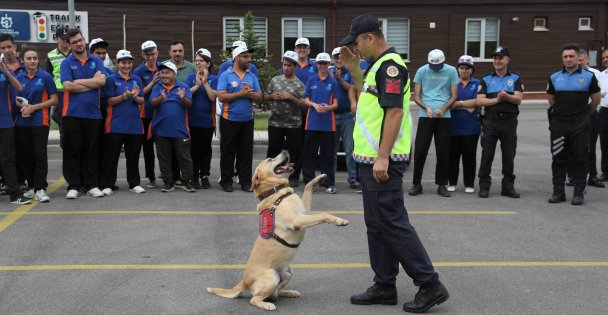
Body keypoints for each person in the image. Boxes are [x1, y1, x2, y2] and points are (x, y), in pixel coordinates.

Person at [339, 14, 448, 313]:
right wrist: (354, 71)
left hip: (382, 160)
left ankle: (430, 284)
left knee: (392, 223)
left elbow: (395, 113)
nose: (355, 49)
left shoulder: (390, 67)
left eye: (356, 43)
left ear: (370, 38)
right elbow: (370, 101)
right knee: (377, 225)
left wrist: (383, 156)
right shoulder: (376, 67)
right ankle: (385, 284)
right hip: (370, 160)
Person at [547, 43, 601, 205]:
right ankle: (558, 193)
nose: (568, 59)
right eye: (565, 56)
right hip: (559, 123)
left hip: (580, 123)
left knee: (580, 157)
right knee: (558, 158)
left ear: (578, 58)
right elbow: (551, 99)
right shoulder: (555, 77)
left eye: (571, 56)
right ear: (562, 58)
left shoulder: (589, 77)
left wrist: (583, 115)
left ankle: (578, 193)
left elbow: (595, 100)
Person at [60, 29, 107, 199]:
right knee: (73, 150)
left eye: (80, 40)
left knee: (91, 150)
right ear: (69, 45)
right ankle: (74, 185)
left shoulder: (96, 60)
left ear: (84, 40)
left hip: (93, 114)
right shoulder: (66, 63)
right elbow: (67, 86)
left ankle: (91, 185)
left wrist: (79, 81)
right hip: (72, 113)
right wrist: (91, 83)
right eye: (74, 42)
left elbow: (101, 81)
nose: (79, 44)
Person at [409, 49, 458, 197]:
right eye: (433, 66)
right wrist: (426, 108)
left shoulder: (451, 71)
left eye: (438, 67)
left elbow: (454, 95)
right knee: (420, 150)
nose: (435, 69)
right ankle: (416, 184)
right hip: (426, 115)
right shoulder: (422, 71)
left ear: (443, 62)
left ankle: (442, 184)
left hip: (444, 116)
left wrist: (443, 109)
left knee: (443, 151)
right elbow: (416, 96)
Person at [477, 46, 523, 199]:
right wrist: (497, 99)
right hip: (490, 122)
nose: (497, 61)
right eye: (495, 58)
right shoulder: (486, 79)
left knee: (508, 156)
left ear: (507, 60)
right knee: (487, 155)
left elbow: (518, 99)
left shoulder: (515, 78)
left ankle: (508, 187)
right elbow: (480, 100)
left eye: (500, 58)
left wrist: (507, 97)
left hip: (509, 122)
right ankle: (484, 186)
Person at [14, 46, 58, 203]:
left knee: (40, 155)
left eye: (34, 58)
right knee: (26, 155)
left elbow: (54, 99)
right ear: (23, 60)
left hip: (41, 120)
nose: (32, 61)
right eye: (29, 58)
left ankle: (40, 188)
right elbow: (16, 99)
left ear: (38, 60)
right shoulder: (18, 76)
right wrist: (23, 107)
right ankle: (32, 186)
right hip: (22, 121)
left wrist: (34, 107)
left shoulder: (45, 76)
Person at [100, 50, 146, 195]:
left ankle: (134, 184)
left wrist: (135, 97)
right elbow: (109, 101)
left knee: (133, 156)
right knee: (111, 156)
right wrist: (124, 96)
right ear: (117, 63)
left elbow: (142, 100)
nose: (126, 65)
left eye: (129, 62)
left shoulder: (136, 79)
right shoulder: (111, 79)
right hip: (115, 124)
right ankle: (108, 184)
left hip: (134, 125)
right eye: (123, 62)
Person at [216, 45, 262, 192]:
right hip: (229, 119)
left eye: (248, 56)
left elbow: (260, 97)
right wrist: (240, 94)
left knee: (246, 153)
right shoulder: (226, 75)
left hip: (247, 120)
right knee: (227, 152)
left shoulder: (251, 76)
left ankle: (245, 182)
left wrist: (251, 94)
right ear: (236, 58)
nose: (248, 59)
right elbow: (221, 96)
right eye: (245, 56)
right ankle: (226, 181)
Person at [149, 61, 196, 193]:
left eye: (167, 72)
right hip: (161, 130)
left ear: (174, 74)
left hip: (180, 130)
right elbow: (152, 102)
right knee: (164, 158)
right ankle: (168, 183)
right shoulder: (157, 87)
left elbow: (189, 104)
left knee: (184, 157)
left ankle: (187, 182)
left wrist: (182, 98)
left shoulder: (183, 87)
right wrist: (160, 98)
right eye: (162, 72)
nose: (164, 75)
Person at [263, 50, 306, 187]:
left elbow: (303, 104)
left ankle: (293, 176)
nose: (286, 68)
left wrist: (291, 97)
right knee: (273, 151)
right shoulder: (275, 80)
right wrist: (272, 96)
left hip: (293, 124)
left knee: (295, 152)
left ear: (295, 66)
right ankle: (271, 174)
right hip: (275, 122)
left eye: (289, 65)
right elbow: (265, 96)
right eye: (284, 65)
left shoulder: (299, 84)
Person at [302, 52, 339, 194]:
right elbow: (305, 99)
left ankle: (328, 183)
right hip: (311, 123)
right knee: (309, 154)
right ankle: (309, 183)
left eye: (325, 63)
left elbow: (335, 104)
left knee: (327, 155)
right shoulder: (311, 80)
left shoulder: (333, 82)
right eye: (320, 63)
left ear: (329, 65)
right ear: (316, 65)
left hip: (328, 125)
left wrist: (327, 107)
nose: (323, 66)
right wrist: (314, 105)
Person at [0, 36, 30, 205]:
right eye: (2, 48)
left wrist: (5, 72)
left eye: (8, 47)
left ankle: (15, 194)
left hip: (4, 121)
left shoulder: (5, 70)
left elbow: (19, 88)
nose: (5, 50)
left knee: (8, 158)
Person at [186, 48, 218, 189]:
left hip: (207, 121)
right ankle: (194, 176)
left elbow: (212, 97)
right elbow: (186, 95)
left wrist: (205, 83)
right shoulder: (190, 77)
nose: (198, 63)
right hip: (192, 120)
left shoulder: (214, 79)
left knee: (205, 149)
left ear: (208, 63)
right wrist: (197, 84)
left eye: (201, 61)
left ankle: (204, 175)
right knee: (193, 150)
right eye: (196, 61)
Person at [448, 55, 480, 194]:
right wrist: (466, 105)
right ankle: (452, 182)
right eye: (461, 68)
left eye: (467, 68)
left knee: (469, 157)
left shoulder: (478, 84)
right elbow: (449, 104)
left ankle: (469, 183)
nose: (464, 70)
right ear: (458, 69)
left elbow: (475, 105)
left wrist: (459, 103)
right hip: (453, 127)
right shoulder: (452, 84)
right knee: (453, 157)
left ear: (472, 70)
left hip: (471, 127)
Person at [133, 40, 162, 188]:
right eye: (147, 55)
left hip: (162, 114)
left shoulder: (164, 67)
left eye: (153, 54)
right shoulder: (138, 72)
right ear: (143, 55)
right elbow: (138, 94)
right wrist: (153, 83)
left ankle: (168, 175)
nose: (151, 57)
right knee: (148, 148)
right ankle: (151, 177)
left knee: (164, 147)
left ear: (157, 53)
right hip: (146, 115)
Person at [330, 47, 358, 190]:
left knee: (349, 150)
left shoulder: (350, 72)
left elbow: (353, 88)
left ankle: (352, 179)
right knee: (332, 151)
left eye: (341, 57)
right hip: (332, 115)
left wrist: (339, 79)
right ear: (332, 59)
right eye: (336, 57)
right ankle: (331, 180)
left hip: (347, 116)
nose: (339, 60)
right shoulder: (327, 72)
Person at [578, 50, 605, 188]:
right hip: (576, 113)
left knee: (591, 145)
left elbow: (600, 92)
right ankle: (574, 176)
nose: (580, 62)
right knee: (575, 146)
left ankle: (592, 176)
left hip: (591, 111)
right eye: (578, 60)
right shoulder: (570, 74)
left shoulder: (596, 74)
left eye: (582, 60)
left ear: (587, 59)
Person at [46, 27, 70, 148]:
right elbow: (49, 76)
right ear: (57, 39)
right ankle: (64, 142)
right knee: (60, 116)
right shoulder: (50, 55)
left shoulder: (76, 52)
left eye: (67, 38)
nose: (66, 41)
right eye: (63, 38)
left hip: (75, 91)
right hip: (59, 92)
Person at [598, 49, 608, 182]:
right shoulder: (601, 75)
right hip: (605, 110)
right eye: (604, 57)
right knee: (605, 142)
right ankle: (606, 171)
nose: (605, 59)